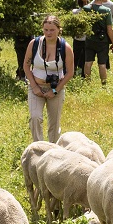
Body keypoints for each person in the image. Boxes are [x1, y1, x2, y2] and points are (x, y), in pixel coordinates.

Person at [23, 14, 75, 142]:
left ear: (59, 29)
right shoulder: (34, 44)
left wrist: (55, 90)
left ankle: (54, 150)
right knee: (35, 118)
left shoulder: (65, 47)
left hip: (55, 88)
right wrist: (34, 87)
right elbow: (26, 65)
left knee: (54, 123)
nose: (48, 33)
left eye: (52, 30)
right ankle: (39, 147)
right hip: (36, 87)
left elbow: (70, 72)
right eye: (46, 30)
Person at [91, 0, 113, 84]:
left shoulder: (111, 5)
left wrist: (107, 21)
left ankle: (87, 82)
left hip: (98, 34)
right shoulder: (103, 9)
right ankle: (104, 84)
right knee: (101, 62)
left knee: (92, 61)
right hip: (100, 36)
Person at [69, 0, 94, 80]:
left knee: (75, 57)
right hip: (87, 39)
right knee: (85, 58)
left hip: (77, 39)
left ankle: (73, 73)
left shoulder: (74, 12)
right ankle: (83, 75)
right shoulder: (90, 12)